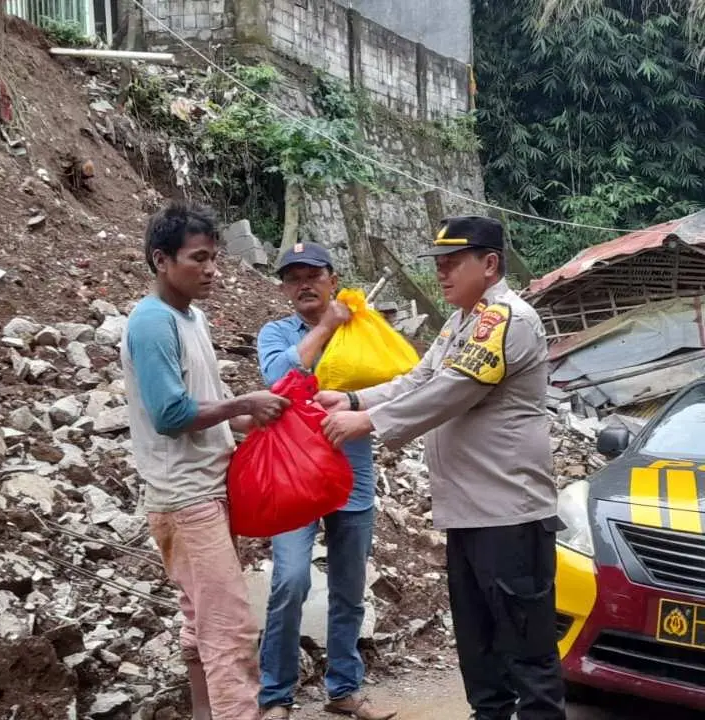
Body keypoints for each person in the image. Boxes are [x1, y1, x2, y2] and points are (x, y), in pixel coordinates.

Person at [318, 216, 566, 720]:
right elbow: (419, 380)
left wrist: (369, 421)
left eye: (453, 263)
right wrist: (350, 397)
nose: (442, 275)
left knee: (527, 655)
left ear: (490, 264)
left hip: (509, 515)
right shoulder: (461, 322)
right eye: (439, 265)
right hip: (469, 515)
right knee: (481, 653)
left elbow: (454, 390)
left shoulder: (506, 318)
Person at [120, 201, 290, 720]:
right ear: (161, 260)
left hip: (206, 488)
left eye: (214, 257)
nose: (212, 269)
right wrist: (243, 404)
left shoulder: (189, 317)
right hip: (186, 495)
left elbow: (207, 406)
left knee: (201, 620)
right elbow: (171, 414)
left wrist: (262, 418)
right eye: (199, 259)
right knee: (229, 628)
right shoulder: (151, 322)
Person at [255, 242, 397, 720]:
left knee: (349, 586)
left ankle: (344, 690)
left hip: (351, 472)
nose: (303, 284)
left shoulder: (363, 331)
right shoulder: (276, 333)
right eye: (293, 277)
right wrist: (327, 325)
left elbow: (394, 382)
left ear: (333, 278)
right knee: (290, 580)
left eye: (312, 274)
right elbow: (279, 378)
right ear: (283, 288)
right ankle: (275, 695)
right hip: (293, 475)